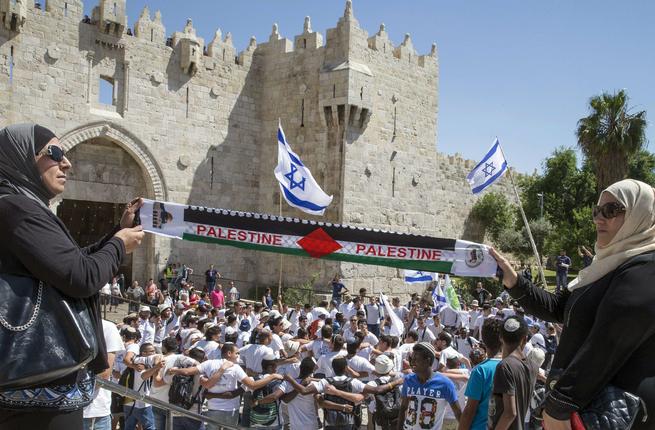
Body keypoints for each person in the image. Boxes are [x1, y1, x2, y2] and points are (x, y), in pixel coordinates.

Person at [0, 124, 145, 429]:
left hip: (41, 383)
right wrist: (119, 245)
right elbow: (80, 277)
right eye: (54, 153)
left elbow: (69, 262)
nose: (66, 162)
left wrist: (116, 234)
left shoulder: (20, 205)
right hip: (37, 386)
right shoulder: (17, 208)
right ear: (22, 157)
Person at [491, 178, 655, 430]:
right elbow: (559, 308)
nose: (599, 218)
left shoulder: (645, 270)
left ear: (639, 214)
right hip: (583, 406)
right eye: (597, 211)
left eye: (611, 211)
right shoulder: (605, 266)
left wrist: (559, 405)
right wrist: (514, 281)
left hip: (618, 412)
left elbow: (606, 345)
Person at [487, 316, 537, 430]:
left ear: (500, 337)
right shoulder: (533, 366)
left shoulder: (505, 366)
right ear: (525, 339)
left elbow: (510, 413)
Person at [397, 342, 461, 430]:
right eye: (411, 358)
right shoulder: (408, 380)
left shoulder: (445, 384)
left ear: (427, 360)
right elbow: (403, 407)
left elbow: (458, 413)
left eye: (416, 359)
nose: (412, 362)